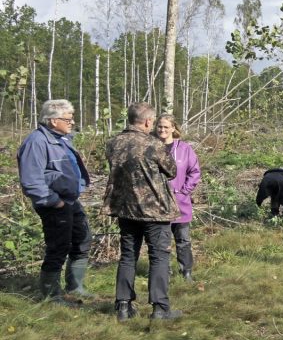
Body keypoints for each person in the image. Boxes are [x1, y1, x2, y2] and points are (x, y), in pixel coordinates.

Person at [104, 102, 182, 321]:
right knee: (159, 257)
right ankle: (160, 308)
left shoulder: (113, 143)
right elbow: (172, 170)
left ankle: (123, 306)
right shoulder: (153, 144)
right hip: (154, 210)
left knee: (128, 256)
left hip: (126, 210)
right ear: (148, 121)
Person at [17, 99, 92, 305]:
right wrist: (54, 201)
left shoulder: (63, 138)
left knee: (82, 239)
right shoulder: (36, 142)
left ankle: (75, 286)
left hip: (70, 200)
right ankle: (52, 295)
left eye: (72, 118)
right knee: (59, 247)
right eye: (67, 119)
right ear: (52, 121)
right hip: (54, 204)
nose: (72, 122)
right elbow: (31, 181)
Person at [155, 114, 201, 282]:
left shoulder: (184, 148)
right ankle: (163, 274)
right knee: (161, 242)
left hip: (180, 203)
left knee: (183, 240)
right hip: (157, 204)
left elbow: (194, 172)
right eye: (160, 126)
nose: (162, 130)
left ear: (173, 128)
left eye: (166, 127)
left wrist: (184, 191)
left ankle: (186, 272)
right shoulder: (151, 146)